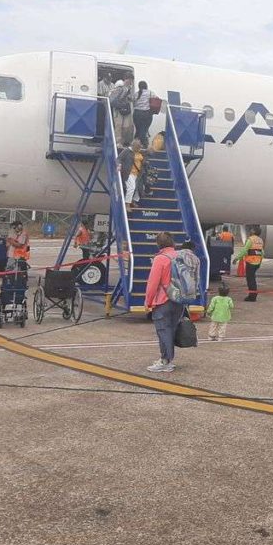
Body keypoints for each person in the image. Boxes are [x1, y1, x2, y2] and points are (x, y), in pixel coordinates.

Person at [144, 232, 180, 373]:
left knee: (163, 331)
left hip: (163, 299)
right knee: (171, 330)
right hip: (178, 299)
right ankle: (168, 359)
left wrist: (148, 301)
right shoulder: (179, 256)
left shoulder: (160, 258)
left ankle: (165, 361)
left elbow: (153, 283)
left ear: (158, 244)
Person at [234, 226, 265, 302]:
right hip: (257, 263)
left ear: (254, 232)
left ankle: (252, 296)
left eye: (252, 229)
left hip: (251, 262)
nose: (250, 230)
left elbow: (244, 250)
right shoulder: (260, 240)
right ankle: (253, 294)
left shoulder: (250, 239)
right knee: (253, 279)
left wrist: (237, 258)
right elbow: (262, 253)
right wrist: (260, 262)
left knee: (250, 280)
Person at [123, 140, 144, 209]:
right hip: (130, 173)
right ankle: (127, 204)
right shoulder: (127, 151)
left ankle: (134, 200)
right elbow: (119, 159)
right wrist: (119, 165)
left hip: (138, 173)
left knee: (140, 187)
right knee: (131, 187)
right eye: (137, 147)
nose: (138, 149)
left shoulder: (140, 152)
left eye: (139, 147)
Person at [133, 80, 155, 146]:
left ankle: (136, 143)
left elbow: (133, 103)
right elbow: (156, 99)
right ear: (146, 86)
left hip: (137, 114)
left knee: (138, 129)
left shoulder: (136, 94)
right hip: (147, 114)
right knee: (144, 130)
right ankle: (144, 144)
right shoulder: (150, 93)